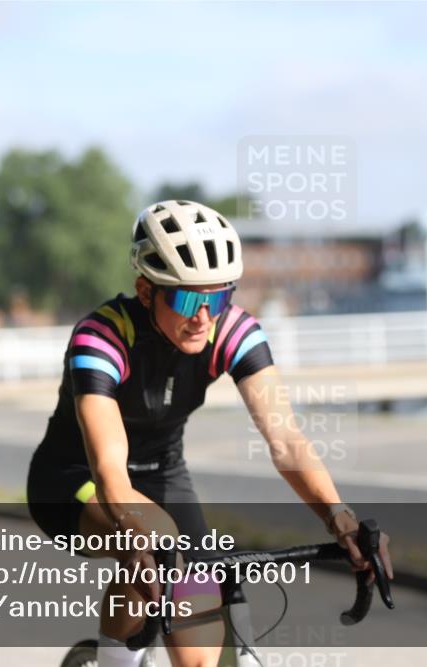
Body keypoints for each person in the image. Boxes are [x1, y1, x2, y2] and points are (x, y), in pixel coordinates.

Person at [27, 200, 393, 667]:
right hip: (74, 479)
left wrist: (340, 518)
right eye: (186, 299)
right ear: (145, 290)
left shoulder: (233, 332)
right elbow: (109, 466)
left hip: (164, 476)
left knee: (201, 657)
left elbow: (286, 441)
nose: (203, 316)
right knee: (157, 538)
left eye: (218, 298)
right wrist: (136, 536)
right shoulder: (103, 337)